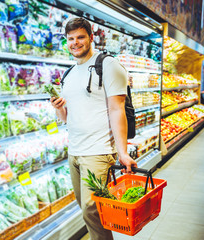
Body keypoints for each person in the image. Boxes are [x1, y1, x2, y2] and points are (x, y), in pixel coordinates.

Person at [50, 17, 137, 240]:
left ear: (91, 37)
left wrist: (123, 152)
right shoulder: (68, 75)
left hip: (98, 151)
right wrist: (59, 109)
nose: (75, 43)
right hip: (75, 152)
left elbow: (117, 109)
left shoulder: (107, 64)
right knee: (90, 212)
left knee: (92, 210)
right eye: (70, 39)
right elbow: (67, 119)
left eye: (80, 37)